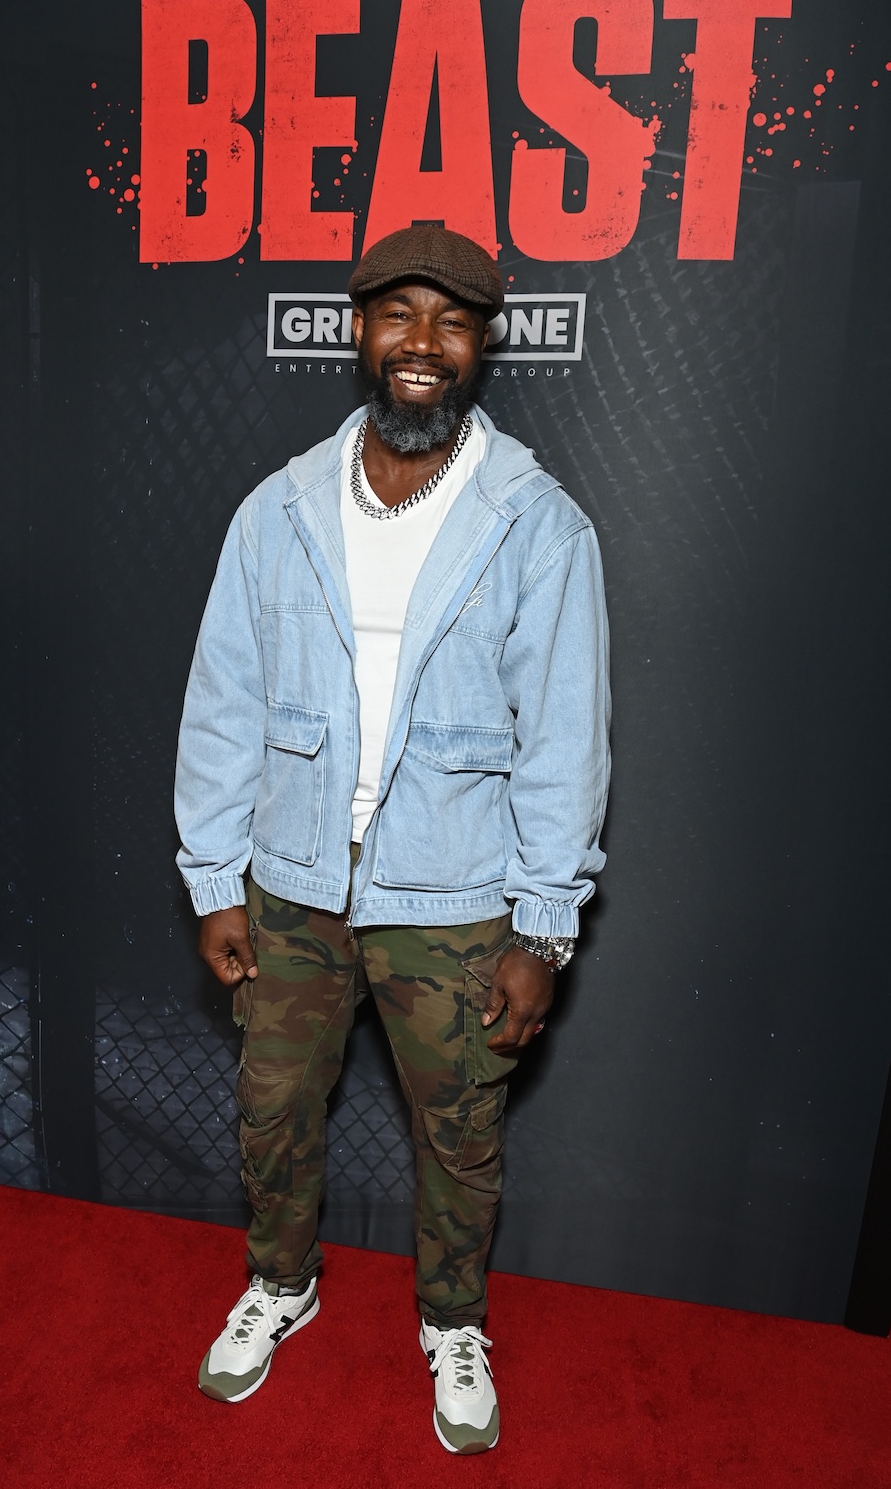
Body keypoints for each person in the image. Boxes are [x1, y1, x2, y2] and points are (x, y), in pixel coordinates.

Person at [174, 224, 610, 1455]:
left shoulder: (535, 523)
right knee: (272, 1108)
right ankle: (281, 1282)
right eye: (400, 315)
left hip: (454, 894)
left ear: (481, 347)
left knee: (460, 1134)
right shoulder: (278, 510)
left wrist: (543, 927)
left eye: (453, 322)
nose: (424, 344)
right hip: (292, 882)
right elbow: (224, 702)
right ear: (357, 330)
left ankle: (452, 1321)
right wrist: (213, 876)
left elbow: (564, 739)